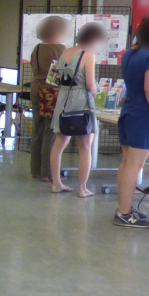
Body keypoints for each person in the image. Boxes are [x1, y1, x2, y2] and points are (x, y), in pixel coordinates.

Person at [113, 17, 149, 229]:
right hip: (142, 115)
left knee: (127, 164)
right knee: (134, 166)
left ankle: (125, 208)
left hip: (129, 111)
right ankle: (124, 212)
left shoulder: (130, 53)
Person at [49, 22, 109, 198]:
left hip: (63, 101)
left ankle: (56, 183)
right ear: (94, 39)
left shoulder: (65, 52)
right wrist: (97, 90)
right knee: (85, 146)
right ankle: (82, 188)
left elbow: (56, 78)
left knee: (59, 143)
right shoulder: (88, 55)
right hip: (81, 102)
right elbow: (90, 85)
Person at [29, 16, 69, 181]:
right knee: (51, 131)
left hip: (36, 89)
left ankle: (36, 169)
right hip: (52, 92)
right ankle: (48, 171)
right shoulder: (59, 49)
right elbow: (59, 75)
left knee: (38, 129)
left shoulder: (37, 48)